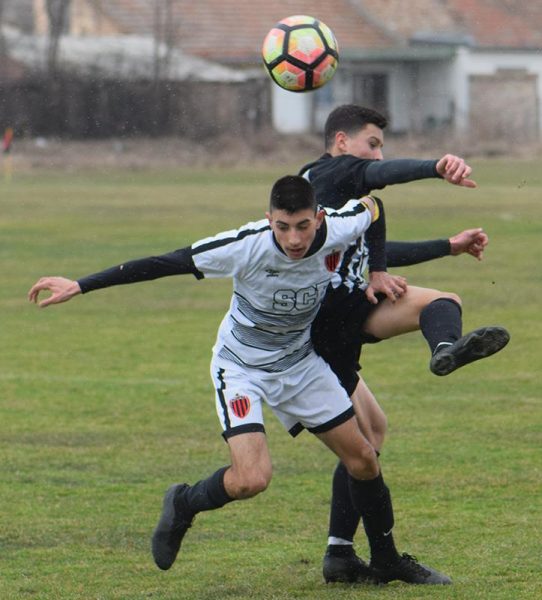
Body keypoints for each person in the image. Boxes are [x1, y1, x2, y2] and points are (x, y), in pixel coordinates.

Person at [27, 175, 451, 585]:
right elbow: (164, 263)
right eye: (282, 227)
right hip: (241, 369)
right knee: (251, 479)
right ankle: (184, 501)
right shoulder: (244, 245)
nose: (294, 239)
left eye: (303, 226)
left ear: (319, 218)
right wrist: (81, 285)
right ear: (269, 220)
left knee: (363, 459)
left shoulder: (339, 227)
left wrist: (378, 270)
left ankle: (387, 560)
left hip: (300, 365)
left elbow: (374, 208)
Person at [298, 105, 510, 584]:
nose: (377, 154)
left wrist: (447, 246)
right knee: (362, 448)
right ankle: (376, 558)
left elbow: (377, 253)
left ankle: (443, 352)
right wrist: (434, 166)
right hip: (324, 329)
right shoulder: (333, 171)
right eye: (371, 142)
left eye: (379, 146)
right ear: (340, 141)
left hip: (346, 311)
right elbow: (381, 173)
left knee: (373, 431)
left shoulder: (334, 196)